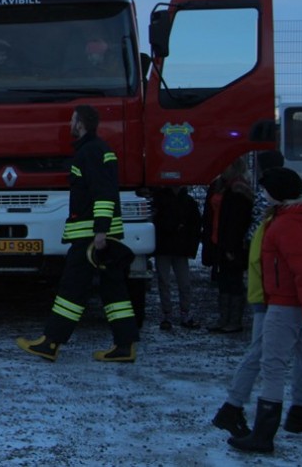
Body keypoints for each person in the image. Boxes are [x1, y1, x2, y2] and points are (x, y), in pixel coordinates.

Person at [213, 151, 302, 444]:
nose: (262, 194)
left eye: (266, 190)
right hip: (291, 304)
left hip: (284, 304)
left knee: (272, 365)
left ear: (276, 193)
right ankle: (279, 419)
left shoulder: (287, 224)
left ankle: (263, 433)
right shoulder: (300, 219)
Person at [17, 104, 139, 362]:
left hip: (90, 238)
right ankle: (125, 346)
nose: (70, 125)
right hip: (101, 235)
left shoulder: (89, 153)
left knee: (71, 290)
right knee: (115, 292)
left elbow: (103, 193)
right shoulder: (98, 150)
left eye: (72, 120)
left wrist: (100, 232)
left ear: (81, 124)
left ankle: (50, 343)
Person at [207, 156, 255, 334]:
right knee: (224, 281)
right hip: (221, 239)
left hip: (231, 243)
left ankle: (233, 321)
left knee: (233, 281)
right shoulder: (224, 186)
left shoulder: (237, 190)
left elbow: (237, 223)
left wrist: (231, 247)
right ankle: (225, 319)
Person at [151, 186, 202, 330]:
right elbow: (195, 224)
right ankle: (183, 314)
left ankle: (168, 315)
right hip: (178, 247)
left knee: (167, 282)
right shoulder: (187, 201)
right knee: (181, 282)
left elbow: (156, 221)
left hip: (166, 246)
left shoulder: (160, 199)